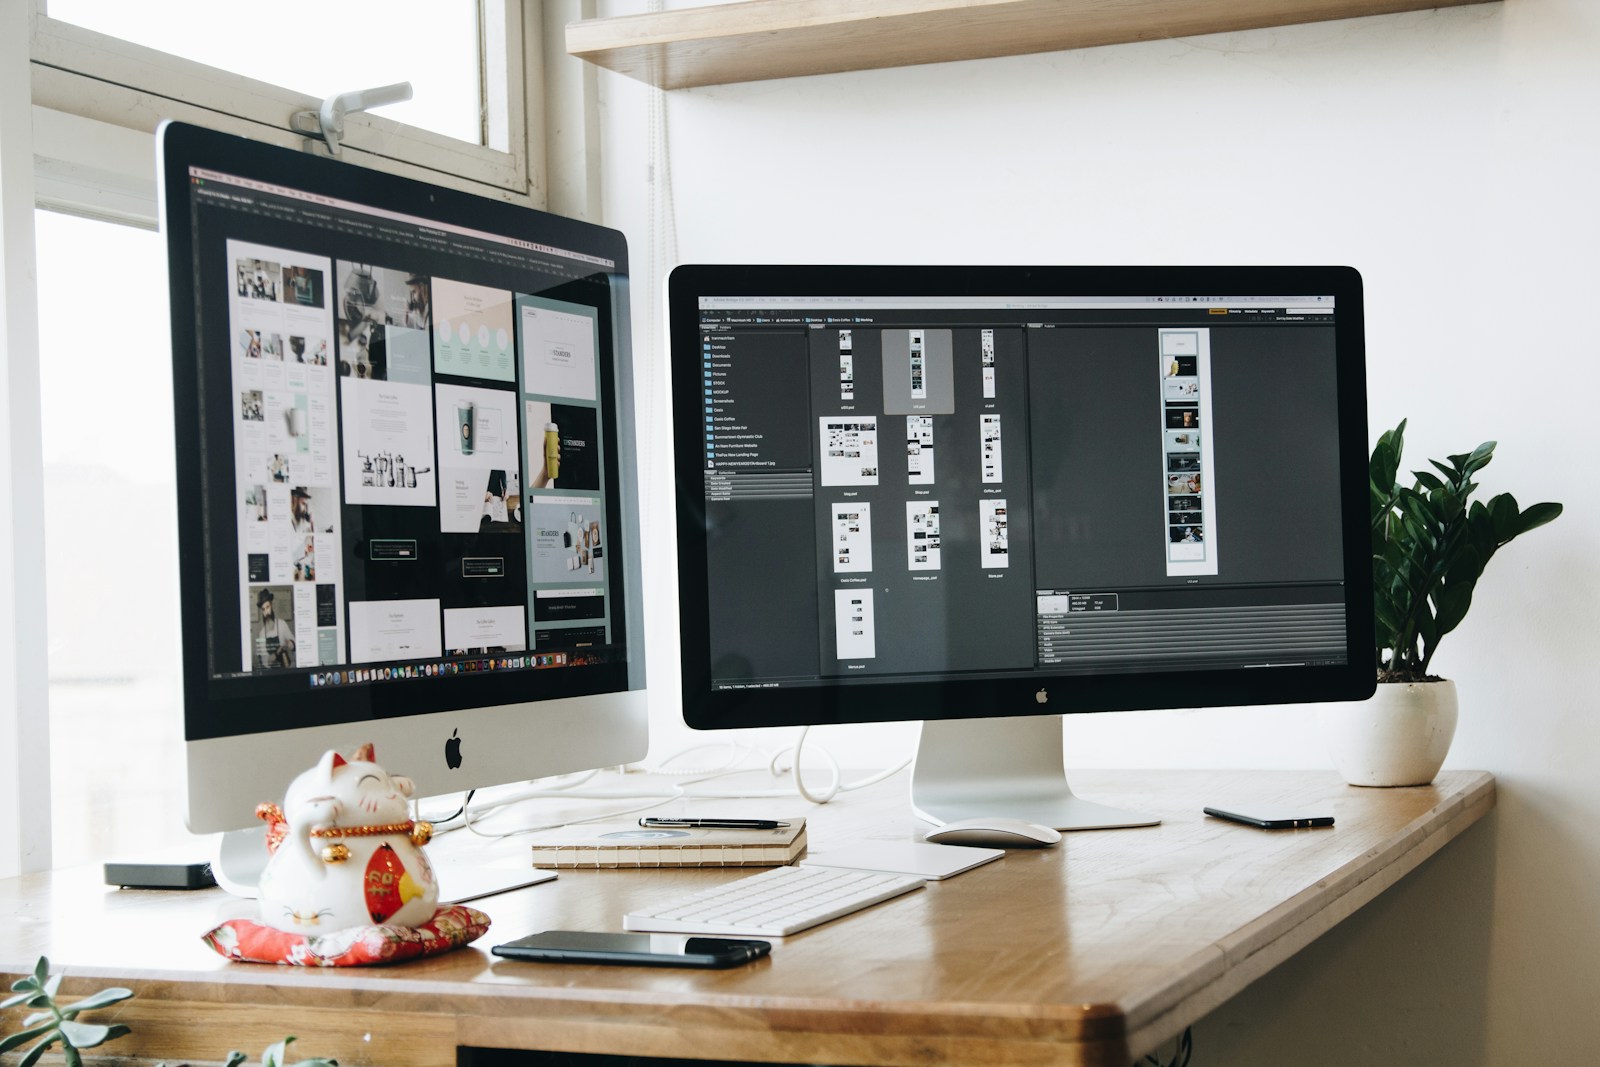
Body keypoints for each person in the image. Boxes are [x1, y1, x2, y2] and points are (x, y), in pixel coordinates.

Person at [253, 589, 295, 669]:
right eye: (263, 609)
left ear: (271, 606)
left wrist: (290, 644)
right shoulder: (262, 633)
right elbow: (265, 661)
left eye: (267, 607)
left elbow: (293, 643)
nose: (266, 612)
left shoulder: (282, 624)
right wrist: (276, 653)